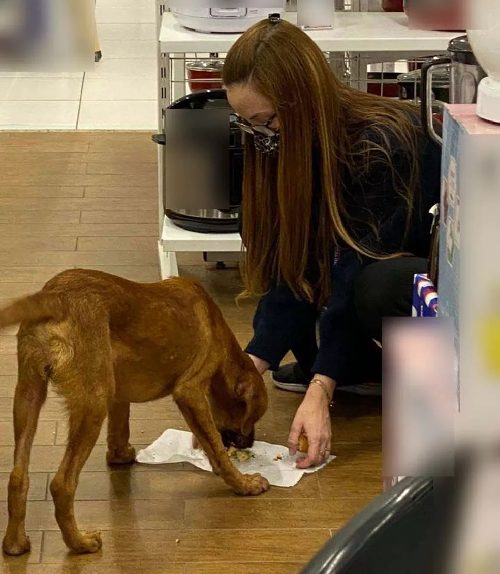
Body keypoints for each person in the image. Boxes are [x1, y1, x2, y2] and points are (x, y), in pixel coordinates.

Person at [223, 15, 441, 469]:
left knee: (373, 286)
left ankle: (390, 372)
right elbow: (295, 260)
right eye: (250, 125)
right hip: (362, 289)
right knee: (299, 326)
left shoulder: (384, 144)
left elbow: (355, 266)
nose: (263, 137)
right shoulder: (284, 144)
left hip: (432, 292)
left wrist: (322, 388)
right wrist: (250, 366)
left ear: (302, 103)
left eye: (268, 122)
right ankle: (358, 371)